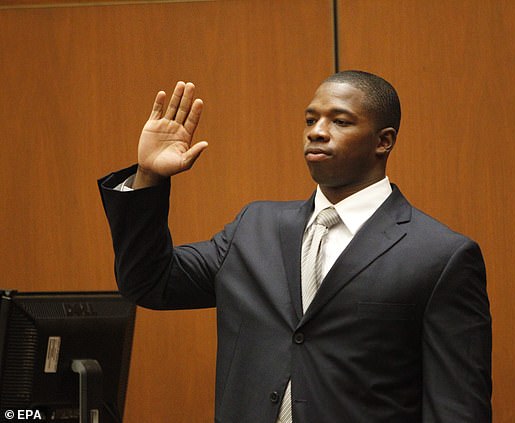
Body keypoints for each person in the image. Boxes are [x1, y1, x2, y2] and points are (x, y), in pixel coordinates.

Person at [98, 71, 492, 422]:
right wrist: (148, 175)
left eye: (339, 121)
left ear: (383, 141)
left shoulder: (440, 256)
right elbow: (149, 282)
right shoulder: (255, 228)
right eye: (310, 120)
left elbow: (457, 406)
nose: (317, 131)